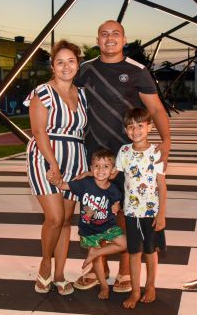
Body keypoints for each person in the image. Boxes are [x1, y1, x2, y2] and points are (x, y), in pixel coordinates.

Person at [72, 20, 171, 293]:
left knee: (127, 214)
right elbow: (66, 93)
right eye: (104, 34)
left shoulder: (137, 71)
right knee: (94, 214)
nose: (110, 38)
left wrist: (167, 140)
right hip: (96, 157)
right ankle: (97, 268)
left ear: (124, 40)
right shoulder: (85, 70)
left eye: (115, 34)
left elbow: (157, 110)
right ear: (97, 39)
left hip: (130, 159)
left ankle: (126, 271)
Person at [25, 40, 88, 295]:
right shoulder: (43, 92)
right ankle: (45, 264)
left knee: (66, 221)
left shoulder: (82, 94)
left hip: (76, 158)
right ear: (53, 66)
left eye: (70, 61)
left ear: (77, 65)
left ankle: (60, 274)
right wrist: (53, 164)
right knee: (54, 218)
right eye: (60, 61)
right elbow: (39, 132)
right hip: (45, 156)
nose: (66, 66)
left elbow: (84, 130)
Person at [56, 148, 127, 300]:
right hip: (89, 229)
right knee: (97, 262)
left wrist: (117, 206)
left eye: (106, 167)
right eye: (97, 166)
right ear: (91, 168)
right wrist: (54, 179)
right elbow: (64, 186)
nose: (101, 170)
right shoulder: (84, 184)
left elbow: (116, 203)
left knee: (124, 244)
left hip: (108, 226)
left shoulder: (114, 189)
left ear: (113, 170)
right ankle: (104, 285)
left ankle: (97, 252)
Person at [115, 107, 167, 309]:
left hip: (151, 213)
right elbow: (112, 175)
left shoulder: (156, 153)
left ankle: (151, 286)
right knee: (134, 252)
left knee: (151, 251)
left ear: (149, 127)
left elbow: (162, 186)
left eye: (140, 126)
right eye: (130, 127)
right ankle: (136, 291)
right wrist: (90, 174)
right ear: (126, 130)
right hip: (131, 212)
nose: (135, 131)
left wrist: (161, 214)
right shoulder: (124, 151)